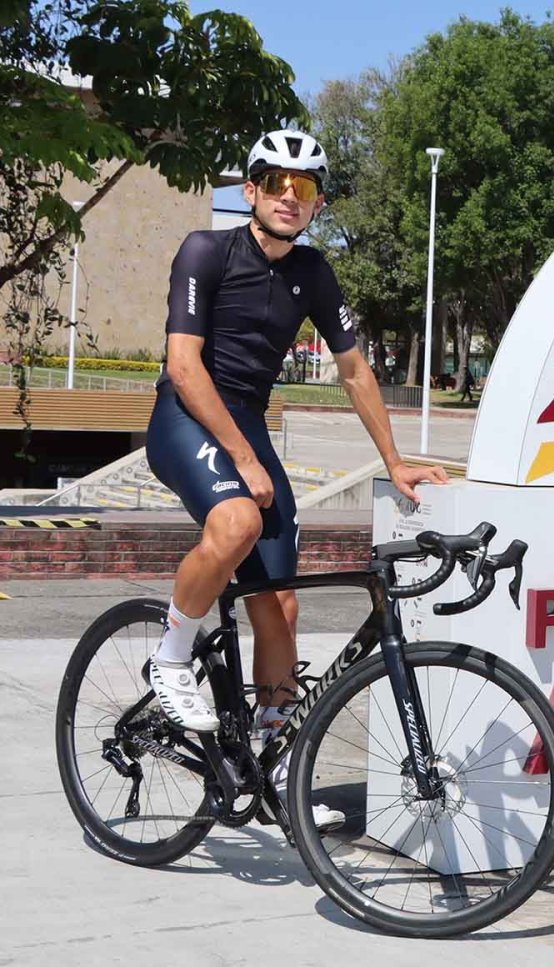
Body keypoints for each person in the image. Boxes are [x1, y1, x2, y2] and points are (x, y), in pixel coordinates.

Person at [144, 130, 448, 825]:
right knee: (237, 518)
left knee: (280, 607)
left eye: (304, 187)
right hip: (186, 413)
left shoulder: (313, 271)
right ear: (249, 190)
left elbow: (353, 368)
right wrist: (246, 460)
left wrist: (395, 459)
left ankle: (269, 754)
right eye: (275, 182)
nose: (289, 195)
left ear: (315, 205)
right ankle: (170, 655)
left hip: (246, 420)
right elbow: (185, 368)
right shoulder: (205, 250)